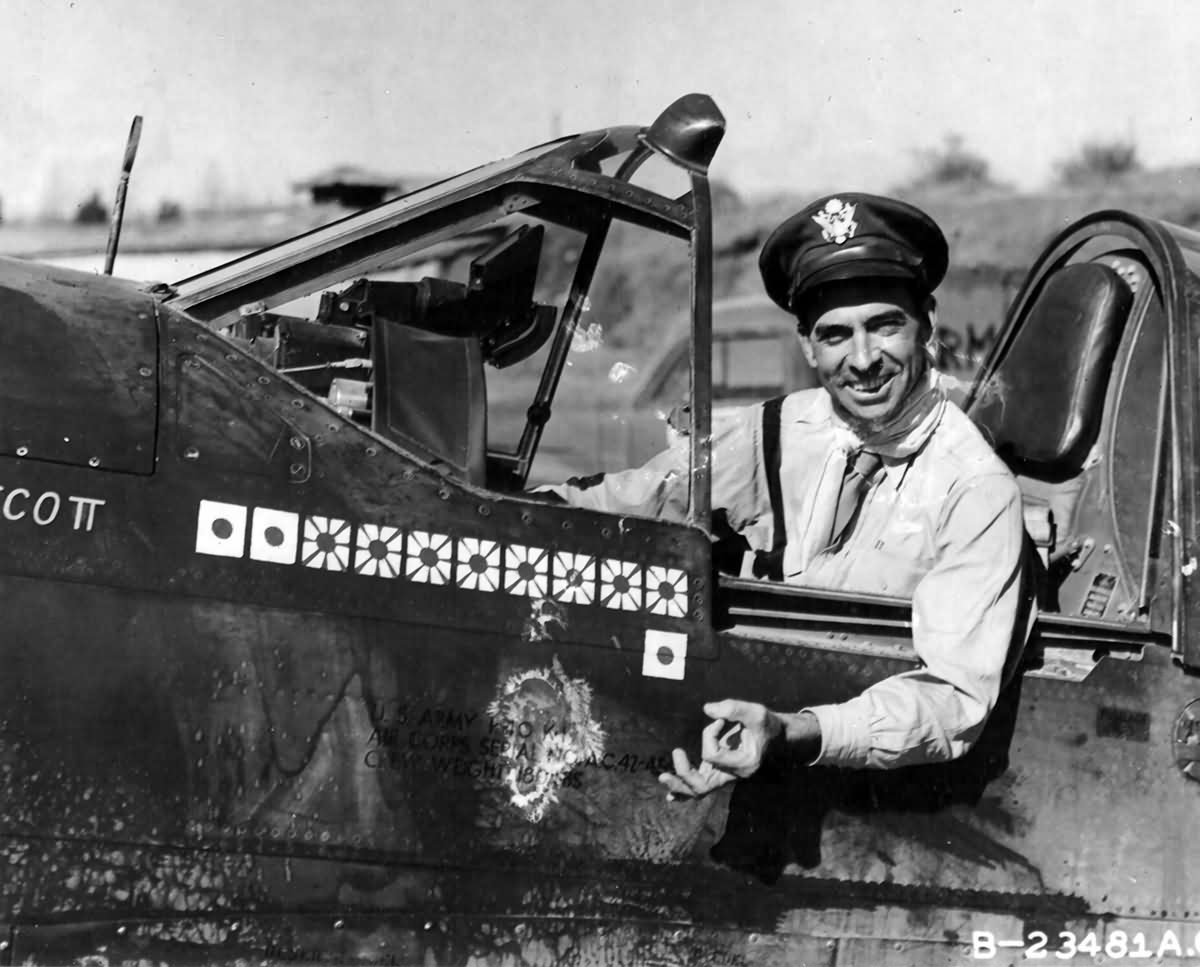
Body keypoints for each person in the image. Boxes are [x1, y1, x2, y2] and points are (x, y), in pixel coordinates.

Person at [550, 192, 1031, 796]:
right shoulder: (780, 429)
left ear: (928, 323)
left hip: (859, 788)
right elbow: (643, 495)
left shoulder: (973, 487)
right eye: (835, 335)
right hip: (742, 735)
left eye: (885, 326)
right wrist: (524, 510)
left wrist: (795, 732)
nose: (862, 360)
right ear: (807, 345)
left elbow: (953, 700)